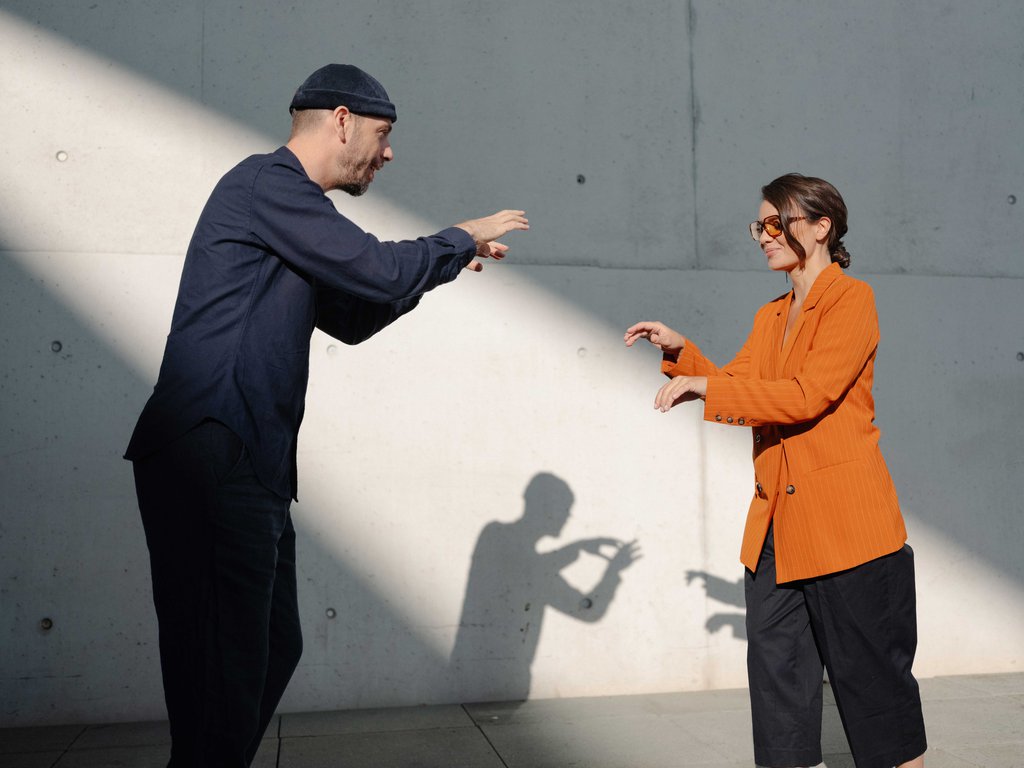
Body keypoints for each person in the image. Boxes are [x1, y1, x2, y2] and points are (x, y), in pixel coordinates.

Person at [124, 63, 528, 767]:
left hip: (250, 462)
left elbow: (354, 314)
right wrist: (458, 235)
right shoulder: (267, 184)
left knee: (270, 648)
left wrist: (442, 266)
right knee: (223, 672)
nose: (390, 152)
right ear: (341, 119)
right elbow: (376, 268)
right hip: (215, 448)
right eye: (383, 133)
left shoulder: (296, 214)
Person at [624, 174, 926, 768]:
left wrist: (704, 385)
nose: (764, 236)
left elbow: (805, 395)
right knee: (780, 708)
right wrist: (683, 353)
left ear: (822, 227)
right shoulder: (771, 316)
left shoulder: (852, 300)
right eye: (758, 225)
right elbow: (743, 388)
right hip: (775, 536)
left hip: (850, 535)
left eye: (776, 222)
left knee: (876, 705)